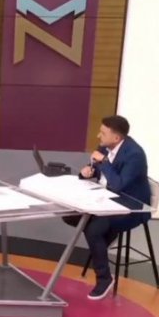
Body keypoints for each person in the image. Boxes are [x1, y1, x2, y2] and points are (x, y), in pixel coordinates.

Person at [64, 115, 151, 300]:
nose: (98, 136)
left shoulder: (135, 155)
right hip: (105, 200)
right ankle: (103, 242)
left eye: (103, 133)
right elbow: (97, 170)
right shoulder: (105, 147)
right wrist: (87, 172)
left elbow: (118, 185)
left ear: (116, 138)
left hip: (130, 207)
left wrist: (103, 162)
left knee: (94, 230)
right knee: (70, 215)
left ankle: (104, 278)